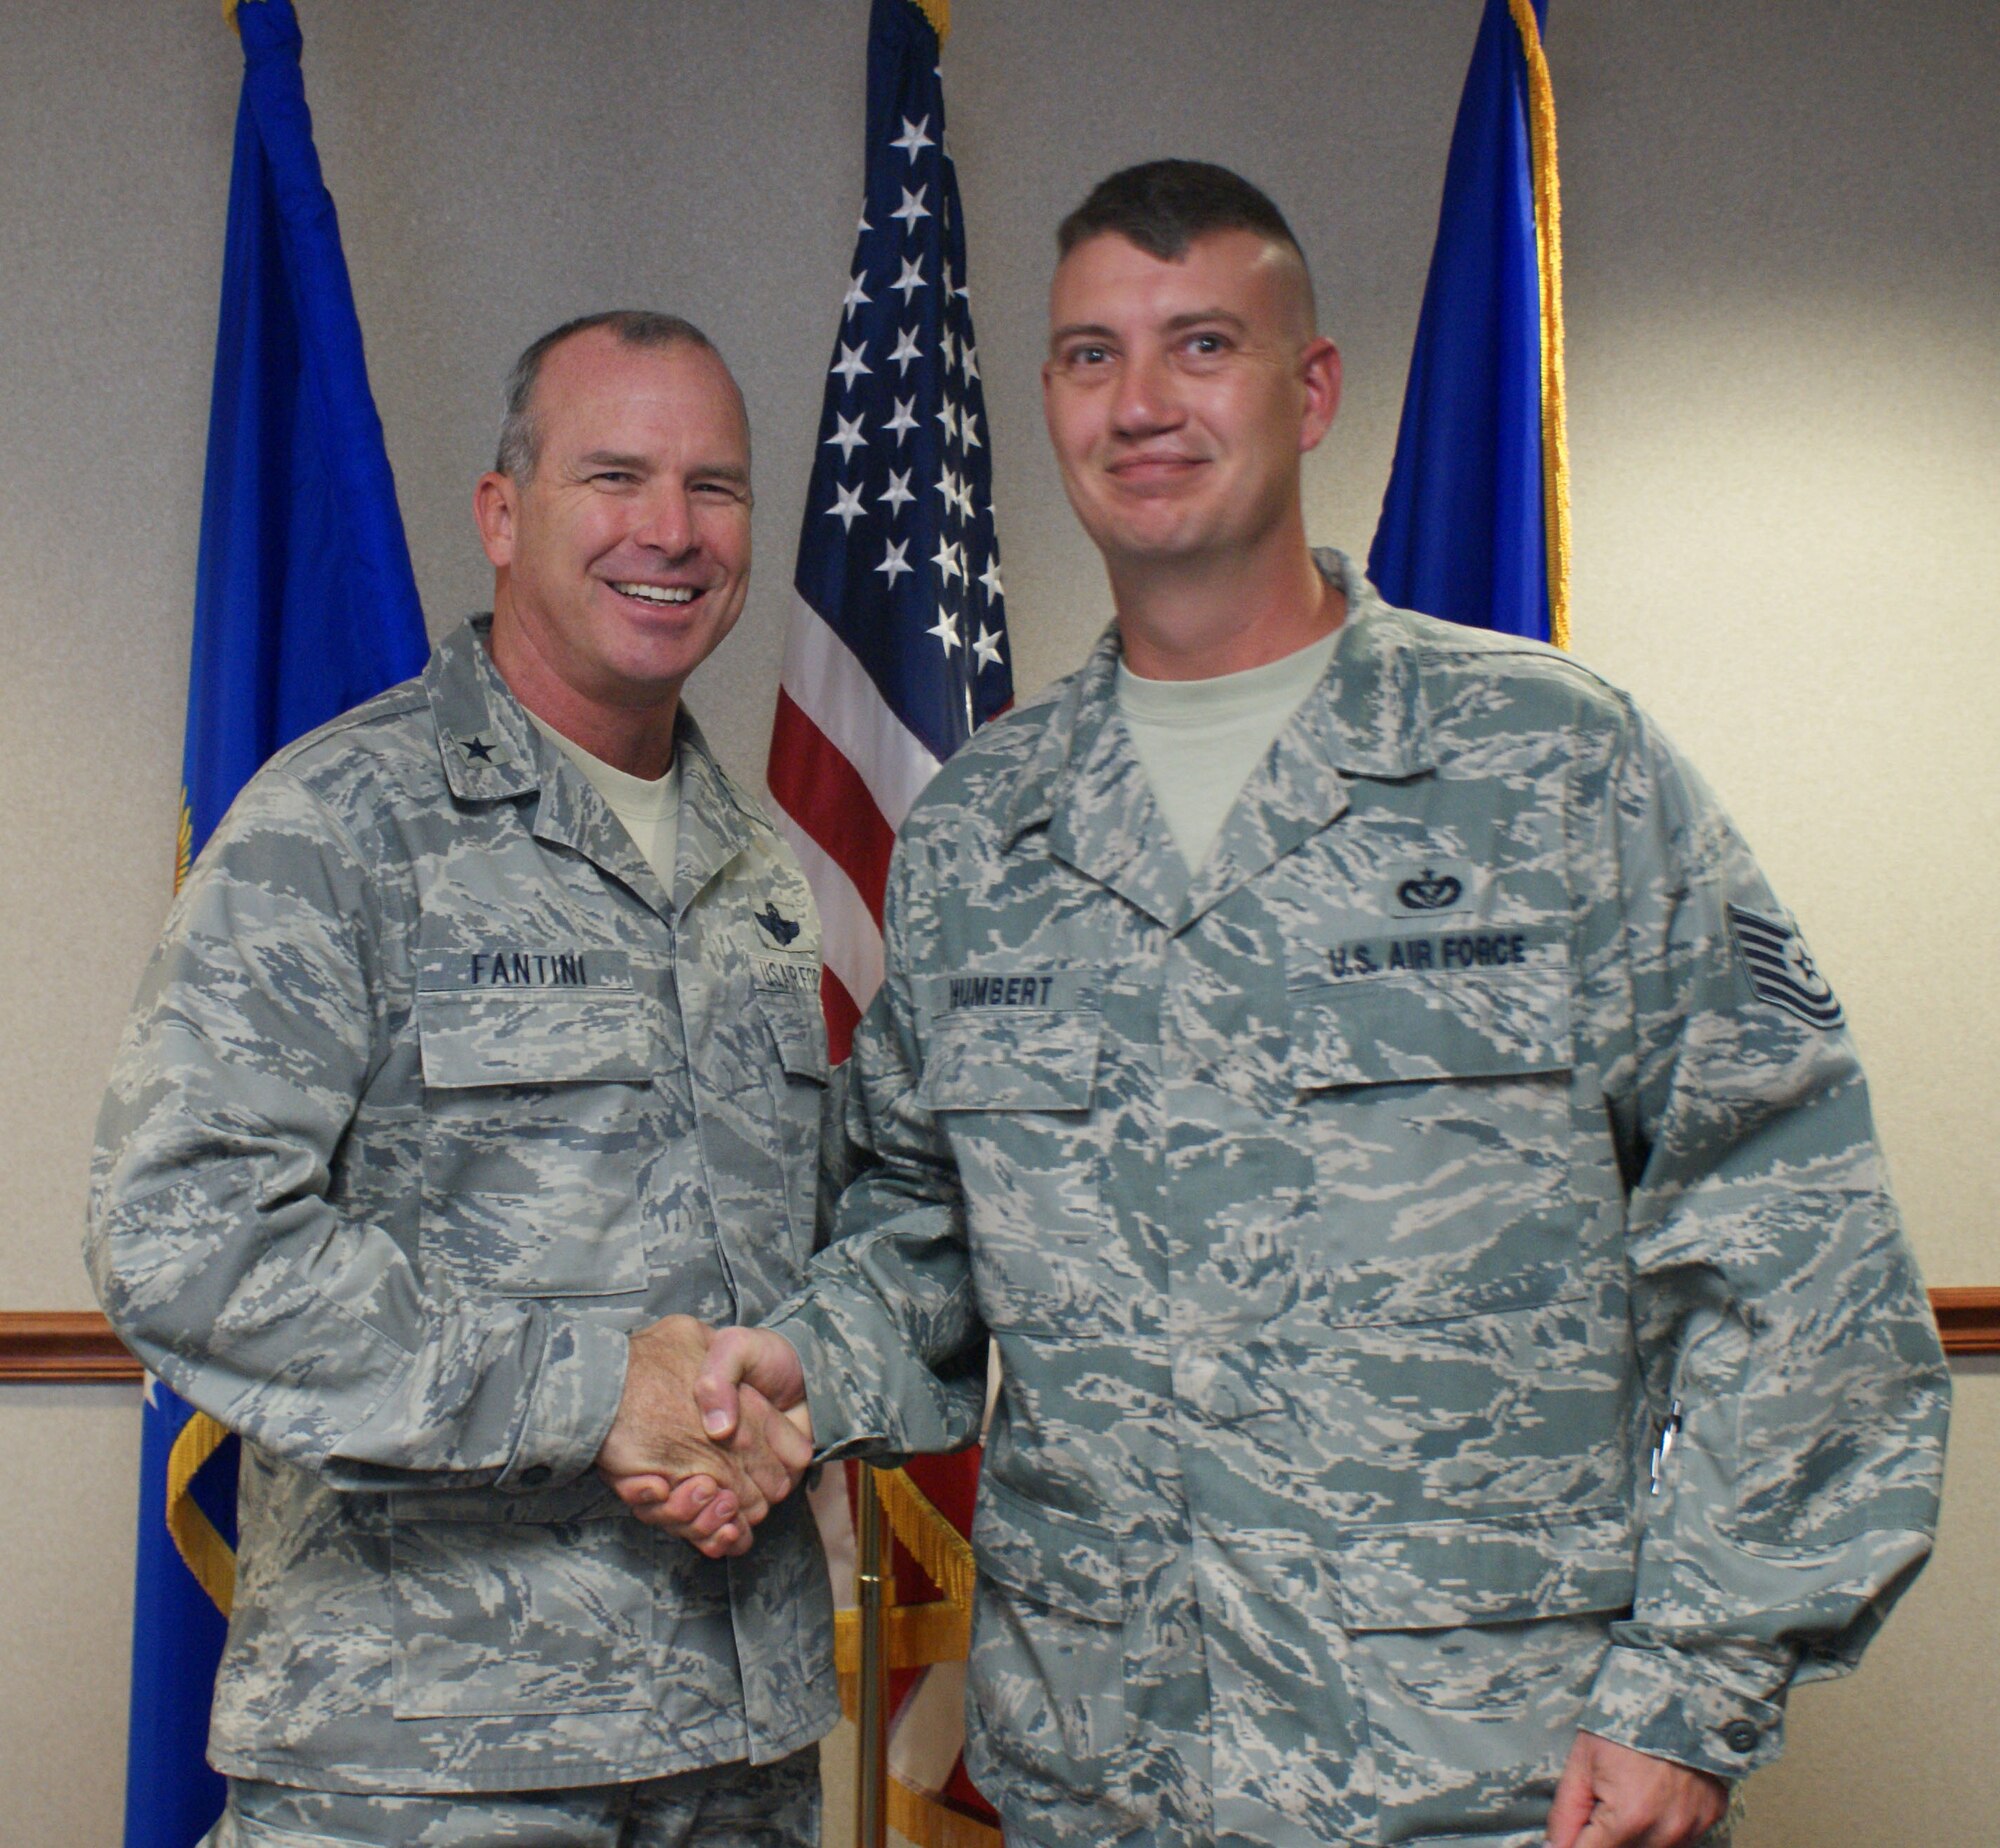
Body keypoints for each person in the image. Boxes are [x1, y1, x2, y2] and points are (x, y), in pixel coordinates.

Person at [645, 164, 1952, 1848]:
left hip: (1490, 1781)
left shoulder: (1553, 769)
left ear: (1311, 385)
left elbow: (1797, 1240)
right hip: (1100, 1778)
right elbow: (924, 1226)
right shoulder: (986, 830)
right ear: (1047, 397)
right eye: (1094, 356)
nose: (1144, 405)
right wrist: (803, 1374)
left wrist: (1695, 1692)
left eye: (1202, 345)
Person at [88, 312, 836, 1847]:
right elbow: (178, 1236)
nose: (671, 532)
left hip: (735, 1755)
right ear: (503, 514)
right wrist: (590, 1394)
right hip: (427, 1761)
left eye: (717, 487)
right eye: (613, 475)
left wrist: (786, 1393)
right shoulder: (339, 826)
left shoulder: (758, 867)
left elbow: (788, 1255)